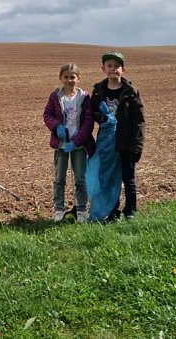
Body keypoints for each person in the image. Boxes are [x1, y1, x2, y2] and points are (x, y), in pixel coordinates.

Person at [90, 51, 145, 220]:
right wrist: (102, 117)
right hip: (106, 142)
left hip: (125, 141)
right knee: (108, 178)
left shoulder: (131, 92)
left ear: (123, 70)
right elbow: (91, 113)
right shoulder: (99, 91)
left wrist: (136, 146)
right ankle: (112, 211)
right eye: (109, 66)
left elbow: (139, 121)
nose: (113, 69)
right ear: (103, 69)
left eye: (117, 66)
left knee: (128, 178)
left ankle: (130, 211)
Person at [43, 63, 95, 223]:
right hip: (61, 145)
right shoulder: (55, 96)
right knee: (59, 178)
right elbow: (47, 115)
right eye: (66, 77)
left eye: (72, 77)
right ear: (61, 78)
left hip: (79, 146)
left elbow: (88, 121)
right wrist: (56, 126)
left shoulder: (84, 97)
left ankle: (81, 210)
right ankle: (59, 209)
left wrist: (77, 140)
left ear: (78, 79)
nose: (69, 80)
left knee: (80, 178)